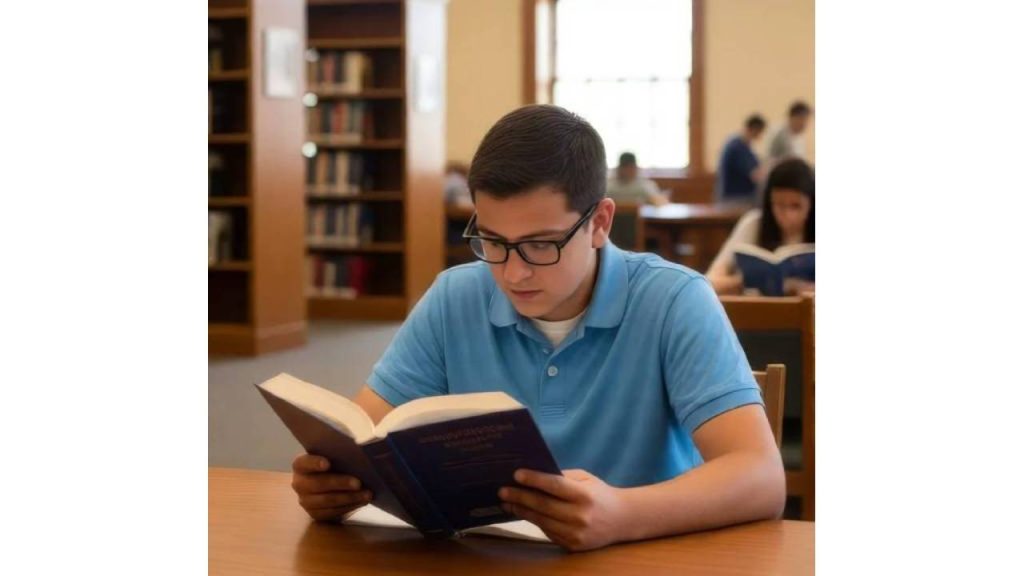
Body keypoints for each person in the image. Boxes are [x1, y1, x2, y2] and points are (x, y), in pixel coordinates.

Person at [290, 105, 785, 551]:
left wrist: (621, 515)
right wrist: (335, 482)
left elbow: (761, 477)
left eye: (541, 244)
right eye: (492, 241)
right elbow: (365, 434)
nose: (513, 272)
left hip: (640, 555)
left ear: (600, 223)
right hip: (484, 559)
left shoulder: (675, 300)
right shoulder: (454, 296)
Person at [707, 158, 815, 295]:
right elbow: (711, 281)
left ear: (811, 204)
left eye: (796, 206)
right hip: (759, 311)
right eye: (780, 205)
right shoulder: (754, 223)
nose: (788, 215)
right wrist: (744, 281)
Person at [715, 114, 767, 205]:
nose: (760, 136)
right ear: (755, 129)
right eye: (760, 132)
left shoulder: (744, 147)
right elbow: (755, 175)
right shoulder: (737, 147)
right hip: (735, 199)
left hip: (741, 197)